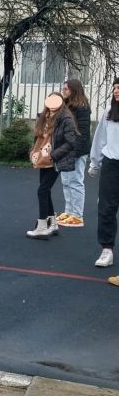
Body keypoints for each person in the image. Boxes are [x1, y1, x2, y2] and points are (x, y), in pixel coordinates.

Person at [26, 92, 78, 239]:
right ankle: (53, 223)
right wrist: (33, 151)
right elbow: (38, 138)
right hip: (43, 159)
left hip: (54, 159)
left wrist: (54, 155)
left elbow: (71, 142)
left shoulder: (66, 119)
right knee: (45, 190)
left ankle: (42, 227)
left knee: (42, 191)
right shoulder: (44, 116)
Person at [88, 77, 119, 271]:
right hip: (111, 165)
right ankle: (107, 250)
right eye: (115, 87)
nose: (116, 90)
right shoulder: (108, 113)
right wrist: (95, 163)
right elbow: (100, 139)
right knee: (106, 208)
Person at [57, 78, 91, 229]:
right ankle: (69, 211)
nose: (63, 91)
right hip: (66, 149)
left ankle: (77, 215)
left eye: (66, 89)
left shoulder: (82, 108)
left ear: (73, 90)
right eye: (63, 88)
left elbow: (83, 133)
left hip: (76, 151)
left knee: (76, 181)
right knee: (66, 181)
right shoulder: (66, 106)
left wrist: (75, 152)